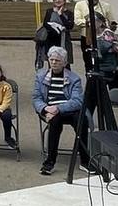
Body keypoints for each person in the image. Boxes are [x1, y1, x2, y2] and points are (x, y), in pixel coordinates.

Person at [33, 46, 89, 176]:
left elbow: (77, 101)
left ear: (64, 63)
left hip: (68, 109)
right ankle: (50, 162)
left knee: (81, 120)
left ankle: (85, 160)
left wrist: (57, 108)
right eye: (51, 60)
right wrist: (46, 108)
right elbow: (36, 98)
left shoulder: (74, 78)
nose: (53, 63)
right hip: (49, 110)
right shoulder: (41, 77)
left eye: (57, 61)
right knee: (55, 122)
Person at [36, 0, 75, 69]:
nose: (58, 1)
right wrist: (56, 27)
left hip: (64, 41)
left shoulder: (69, 13)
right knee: (52, 64)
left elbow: (69, 26)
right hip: (51, 41)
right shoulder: (49, 11)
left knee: (65, 64)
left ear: (64, 0)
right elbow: (45, 24)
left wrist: (60, 15)